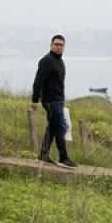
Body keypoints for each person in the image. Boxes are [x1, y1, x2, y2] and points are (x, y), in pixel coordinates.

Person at [30, 35, 76, 168]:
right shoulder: (47, 61)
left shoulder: (60, 62)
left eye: (61, 45)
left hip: (58, 100)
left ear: (64, 47)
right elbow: (38, 81)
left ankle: (43, 155)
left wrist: (62, 101)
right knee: (60, 127)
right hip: (50, 101)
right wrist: (35, 99)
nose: (58, 47)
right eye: (56, 44)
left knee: (52, 127)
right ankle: (63, 158)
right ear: (51, 45)